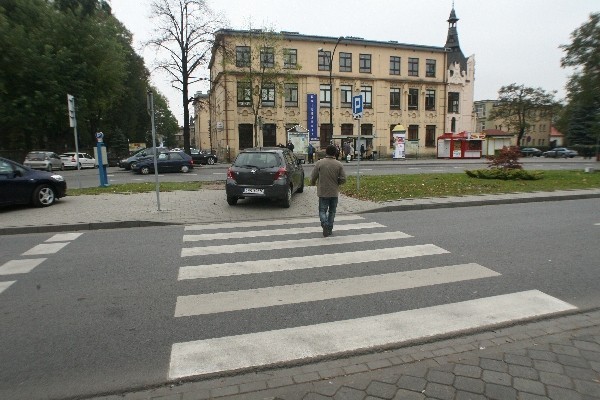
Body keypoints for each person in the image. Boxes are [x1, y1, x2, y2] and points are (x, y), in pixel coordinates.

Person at [310, 144, 347, 237]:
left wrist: (313, 183)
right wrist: (337, 182)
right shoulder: (339, 164)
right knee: (332, 211)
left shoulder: (319, 163)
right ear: (335, 153)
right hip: (334, 191)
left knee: (322, 210)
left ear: (326, 152)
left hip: (322, 191)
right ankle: (329, 228)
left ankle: (324, 224)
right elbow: (343, 179)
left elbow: (313, 176)